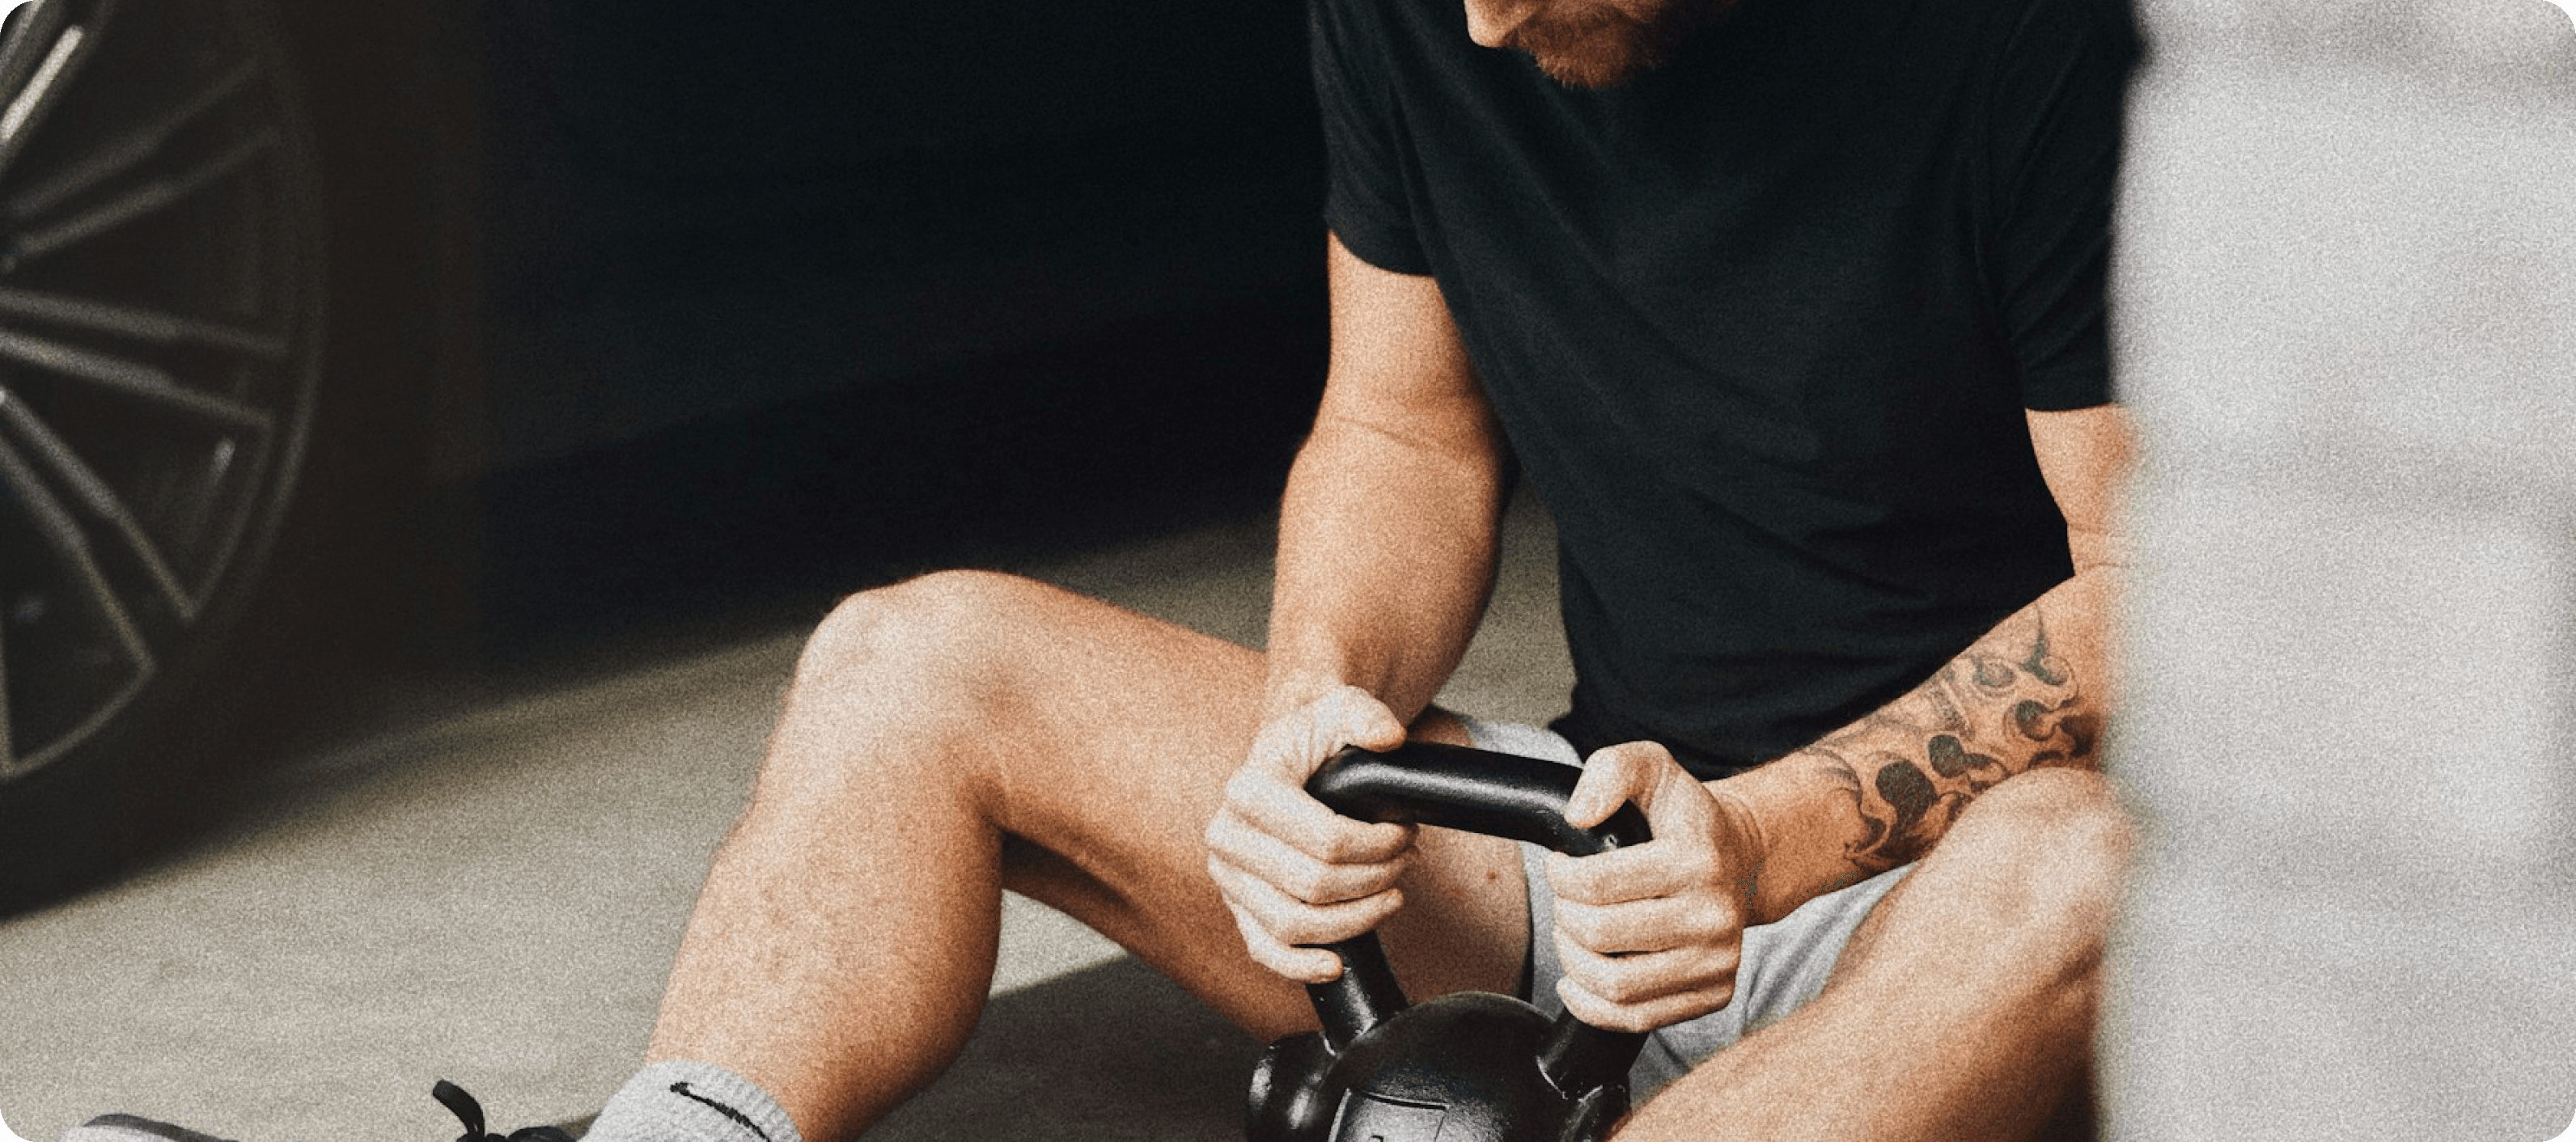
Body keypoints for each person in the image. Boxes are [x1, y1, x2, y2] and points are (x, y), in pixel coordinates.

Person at [71, 0, 2139, 1138]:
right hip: (1596, 858)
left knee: (2090, 864)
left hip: (1918, 917)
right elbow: (1403, 430)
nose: (1490, 22)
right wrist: (1311, 716)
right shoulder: (1432, 9)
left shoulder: (2031, 46)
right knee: (913, 662)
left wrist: (1767, 844)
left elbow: (2167, 578)